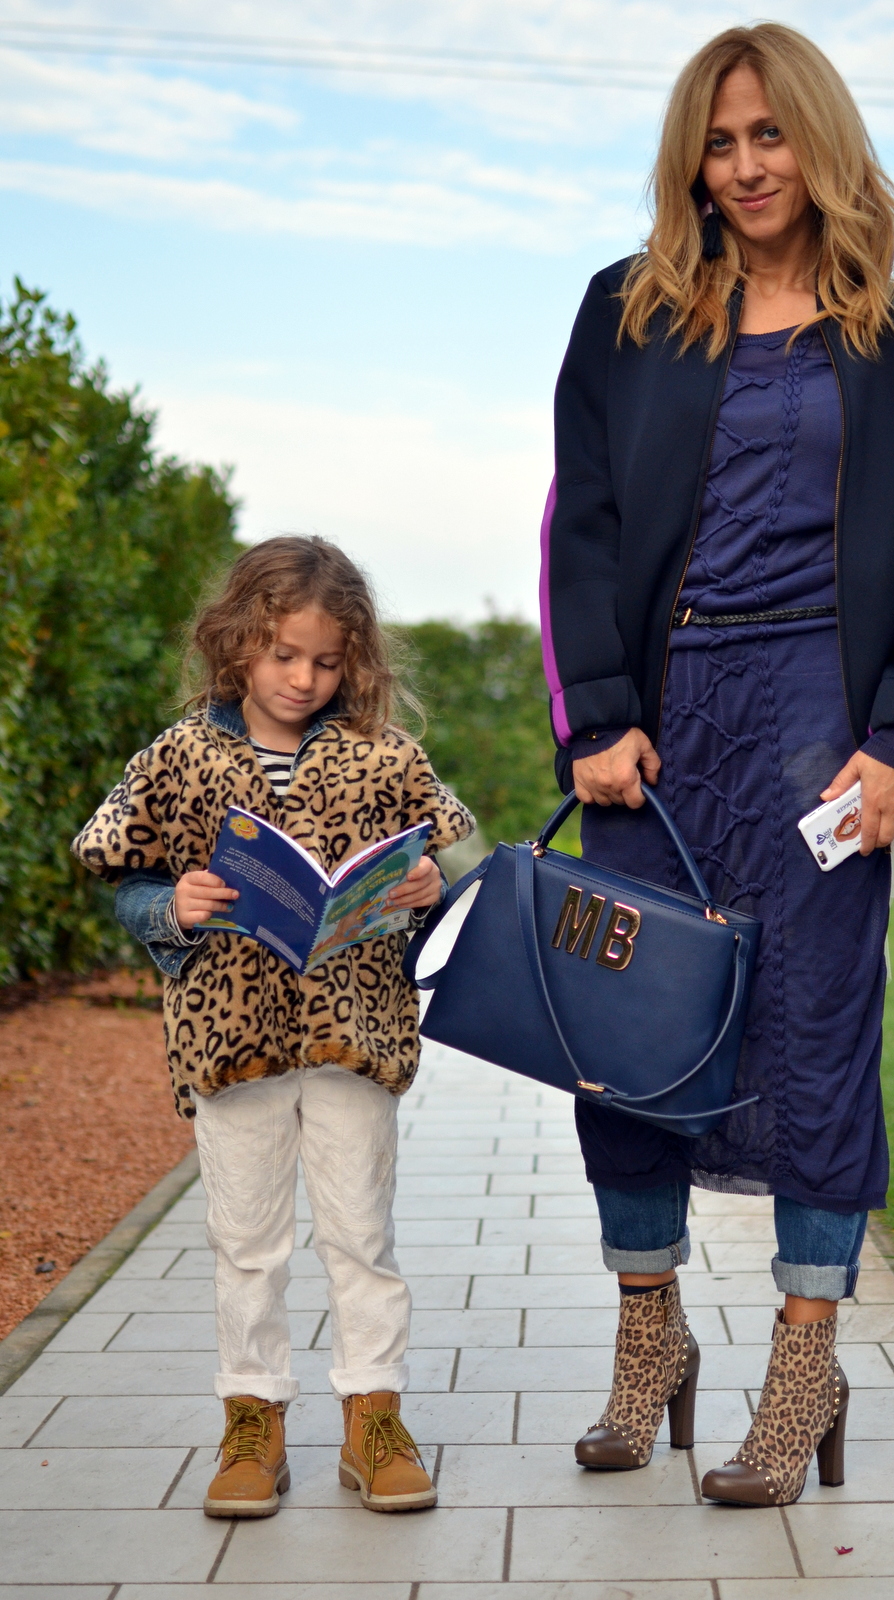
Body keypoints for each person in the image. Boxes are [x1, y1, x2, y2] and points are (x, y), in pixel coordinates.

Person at [541, 23, 894, 1506]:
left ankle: (804, 1367)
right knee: (628, 1035)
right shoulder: (625, 312)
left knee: (815, 1037)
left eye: (768, 135)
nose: (743, 166)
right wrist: (594, 716)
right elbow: (582, 522)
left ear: (818, 141)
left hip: (818, 731)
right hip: (659, 729)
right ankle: (647, 1339)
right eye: (718, 142)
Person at [72, 536, 474, 1518]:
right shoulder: (178, 756)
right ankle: (251, 1421)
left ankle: (374, 1417)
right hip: (230, 1040)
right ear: (237, 642)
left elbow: (445, 863)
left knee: (360, 1235)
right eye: (283, 654)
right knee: (245, 1241)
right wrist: (174, 906)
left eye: (326, 661)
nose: (303, 678)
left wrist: (426, 884)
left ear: (354, 659)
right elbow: (123, 880)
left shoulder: (385, 755)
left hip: (354, 1032)